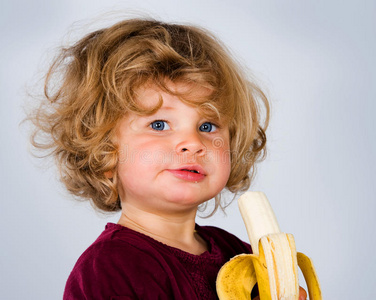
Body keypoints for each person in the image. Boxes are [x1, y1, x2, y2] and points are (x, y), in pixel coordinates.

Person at [29, 18, 307, 299]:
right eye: (159, 125)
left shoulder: (237, 253)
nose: (193, 143)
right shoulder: (110, 268)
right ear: (105, 153)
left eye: (207, 127)